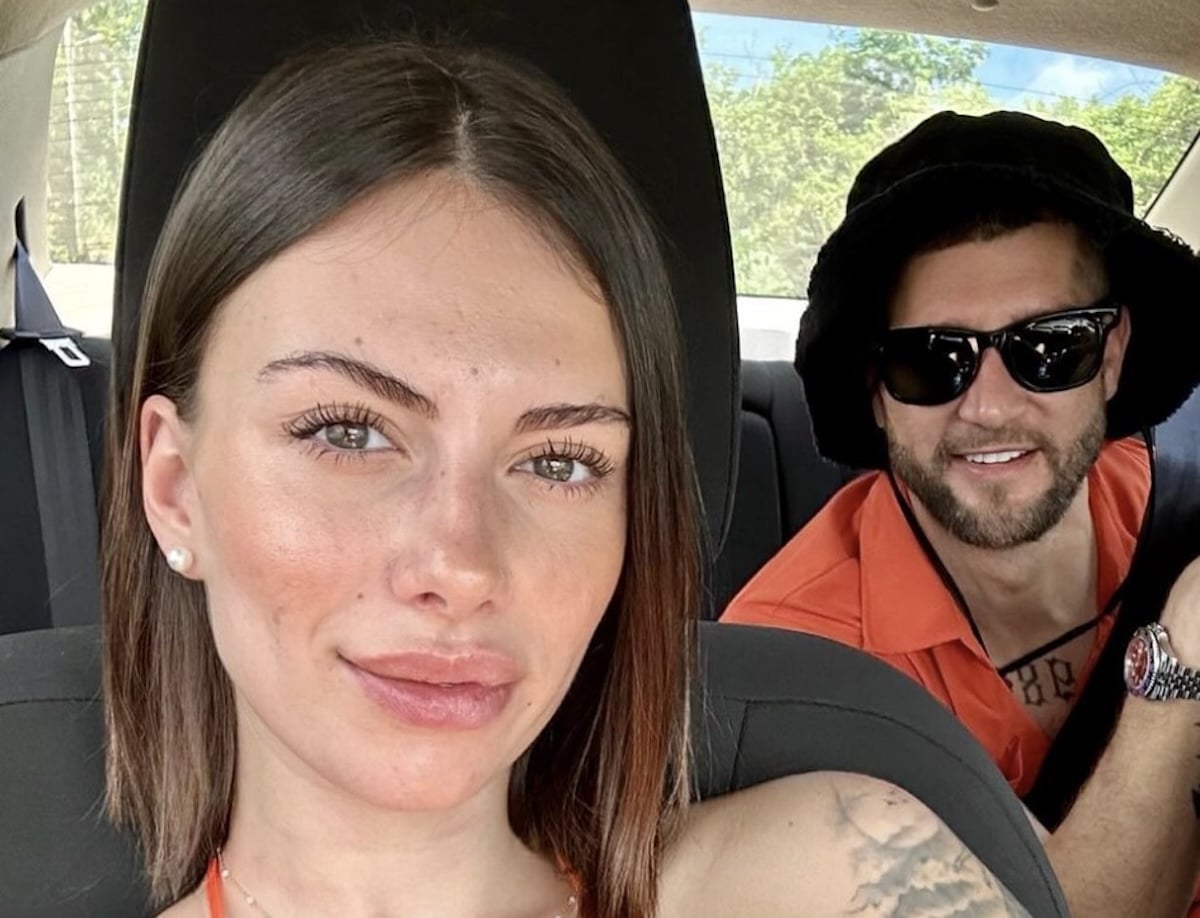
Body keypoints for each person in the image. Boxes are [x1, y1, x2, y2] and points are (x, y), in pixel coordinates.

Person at [100, 39, 1030, 918]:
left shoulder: (838, 877)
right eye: (347, 432)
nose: (461, 566)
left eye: (559, 462)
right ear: (174, 489)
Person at [722, 109, 1200, 917]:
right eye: (931, 359)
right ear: (876, 391)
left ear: (1111, 357)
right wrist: (1179, 663)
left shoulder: (1184, 510)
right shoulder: (796, 669)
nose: (990, 408)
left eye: (1051, 347)